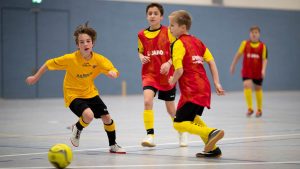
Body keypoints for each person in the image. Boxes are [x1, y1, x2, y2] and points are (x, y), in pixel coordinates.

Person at [25, 22, 126, 154]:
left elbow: (111, 68)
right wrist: (35, 77)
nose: (85, 44)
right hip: (73, 94)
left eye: (88, 41)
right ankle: (77, 128)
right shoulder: (70, 59)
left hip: (90, 92)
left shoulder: (99, 60)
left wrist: (113, 73)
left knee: (107, 117)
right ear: (78, 45)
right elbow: (49, 63)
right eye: (82, 42)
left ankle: (113, 145)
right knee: (88, 116)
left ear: (92, 43)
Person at [168, 10, 225, 158]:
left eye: (172, 25)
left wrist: (171, 81)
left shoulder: (178, 44)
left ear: (183, 27)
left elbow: (179, 70)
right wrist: (217, 83)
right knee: (192, 118)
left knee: (178, 123)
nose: (170, 28)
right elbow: (211, 62)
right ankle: (213, 149)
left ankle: (211, 132)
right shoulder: (198, 42)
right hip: (204, 87)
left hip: (191, 89)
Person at [137, 2, 188, 147]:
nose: (152, 16)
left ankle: (182, 131)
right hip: (149, 74)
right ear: (147, 16)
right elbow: (140, 51)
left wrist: (169, 63)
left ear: (161, 17)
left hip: (167, 76)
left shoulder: (169, 33)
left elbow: (177, 52)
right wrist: (141, 57)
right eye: (150, 13)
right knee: (147, 101)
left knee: (170, 109)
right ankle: (150, 135)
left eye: (155, 13)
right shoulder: (141, 35)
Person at [230, 25, 268, 117]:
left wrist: (263, 70)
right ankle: (250, 108)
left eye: (256, 33)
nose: (254, 34)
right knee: (247, 85)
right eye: (252, 32)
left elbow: (265, 59)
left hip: (257, 71)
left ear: (259, 34)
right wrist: (233, 65)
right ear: (249, 34)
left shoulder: (263, 46)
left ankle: (259, 109)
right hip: (247, 71)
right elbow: (238, 55)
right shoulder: (244, 44)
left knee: (258, 88)